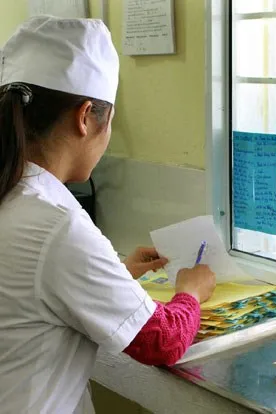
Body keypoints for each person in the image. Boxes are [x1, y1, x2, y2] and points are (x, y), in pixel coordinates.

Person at [0, 16, 217, 413]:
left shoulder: (14, 194)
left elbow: (34, 288)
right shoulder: (56, 224)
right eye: (109, 120)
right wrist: (192, 291)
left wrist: (119, 272)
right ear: (85, 118)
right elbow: (162, 341)